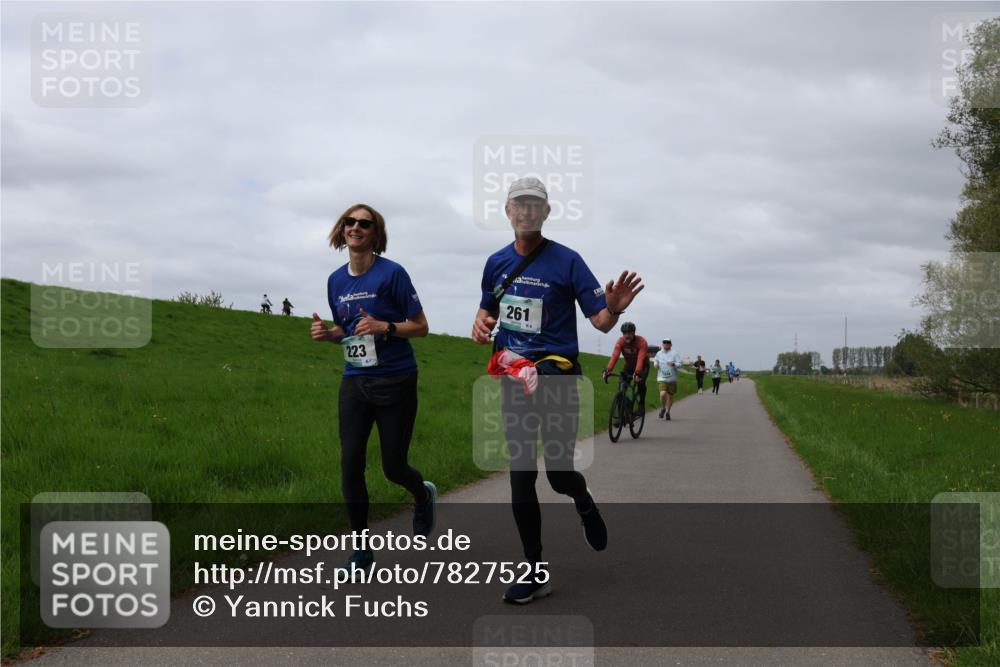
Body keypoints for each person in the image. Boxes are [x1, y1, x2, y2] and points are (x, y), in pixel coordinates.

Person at [471, 177, 643, 604]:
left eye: (535, 205)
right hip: (515, 377)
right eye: (519, 204)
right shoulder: (495, 263)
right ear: (507, 211)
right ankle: (535, 570)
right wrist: (480, 324)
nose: (526, 211)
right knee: (521, 474)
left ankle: (582, 499)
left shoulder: (568, 261)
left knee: (559, 474)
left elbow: (600, 322)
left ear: (546, 213)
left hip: (558, 375)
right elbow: (486, 310)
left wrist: (613, 306)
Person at [311, 203, 436, 574]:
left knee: (393, 468)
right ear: (342, 230)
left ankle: (422, 494)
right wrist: (329, 335)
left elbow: (421, 326)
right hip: (355, 380)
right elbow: (348, 330)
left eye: (364, 224)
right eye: (349, 222)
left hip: (396, 379)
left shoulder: (392, 274)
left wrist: (386, 327)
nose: (356, 228)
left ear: (375, 233)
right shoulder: (336, 280)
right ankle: (361, 552)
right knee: (350, 464)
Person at [601, 321, 649, 407]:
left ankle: (641, 404)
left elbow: (640, 358)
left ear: (634, 333)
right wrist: (608, 369)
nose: (627, 335)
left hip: (643, 365)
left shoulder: (641, 341)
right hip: (629, 365)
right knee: (622, 386)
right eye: (624, 333)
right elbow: (615, 355)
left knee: (640, 383)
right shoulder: (621, 342)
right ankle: (623, 409)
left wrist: (638, 372)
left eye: (629, 333)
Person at [653, 338, 682, 419]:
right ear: (663, 344)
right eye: (664, 342)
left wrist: (673, 364)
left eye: (668, 342)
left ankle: (668, 412)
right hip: (662, 377)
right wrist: (656, 365)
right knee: (662, 394)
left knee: (670, 396)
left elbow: (680, 364)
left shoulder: (675, 353)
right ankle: (663, 408)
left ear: (670, 344)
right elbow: (655, 361)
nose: (666, 344)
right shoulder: (659, 353)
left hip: (672, 378)